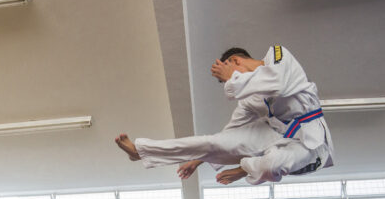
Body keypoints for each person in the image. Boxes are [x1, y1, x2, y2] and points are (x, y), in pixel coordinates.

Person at [115, 45, 334, 185]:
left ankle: (243, 169)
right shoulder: (248, 100)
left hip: (310, 139)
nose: (231, 81)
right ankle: (142, 152)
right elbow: (227, 138)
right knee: (212, 142)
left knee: (271, 166)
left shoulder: (278, 54)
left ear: (237, 61)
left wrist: (233, 80)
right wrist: (198, 159)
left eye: (231, 74)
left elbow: (276, 84)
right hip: (276, 133)